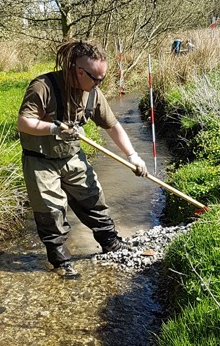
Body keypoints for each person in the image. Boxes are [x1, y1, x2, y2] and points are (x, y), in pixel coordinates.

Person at [16, 40, 148, 279]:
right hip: (41, 160)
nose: (99, 84)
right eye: (96, 79)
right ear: (78, 71)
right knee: (52, 212)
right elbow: (24, 123)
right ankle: (60, 262)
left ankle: (110, 243)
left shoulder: (93, 95)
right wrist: (54, 129)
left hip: (72, 156)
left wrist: (133, 155)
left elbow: (113, 125)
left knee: (93, 199)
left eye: (102, 79)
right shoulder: (42, 87)